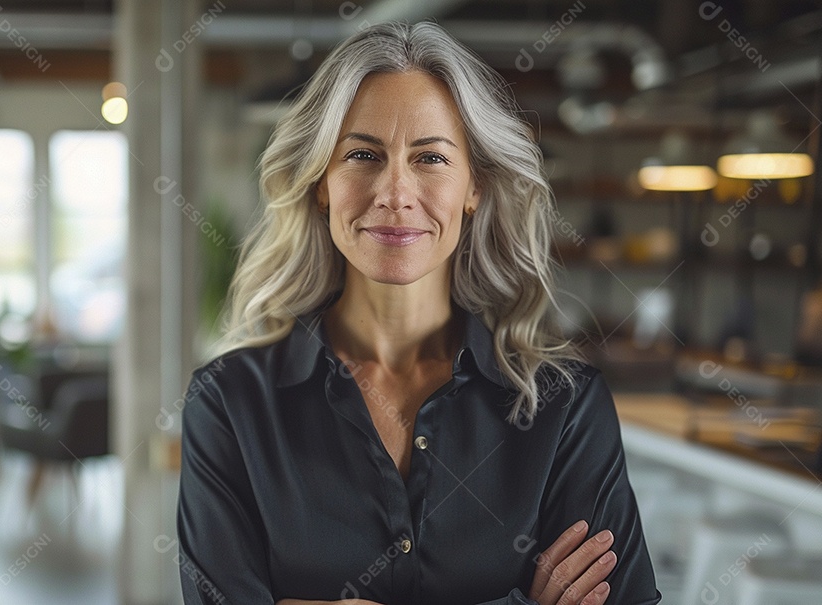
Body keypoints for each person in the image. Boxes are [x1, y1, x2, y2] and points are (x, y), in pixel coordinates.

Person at [176, 21, 661, 605]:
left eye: (429, 157)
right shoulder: (229, 403)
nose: (395, 192)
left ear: (474, 186)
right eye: (362, 154)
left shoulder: (566, 407)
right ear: (321, 183)